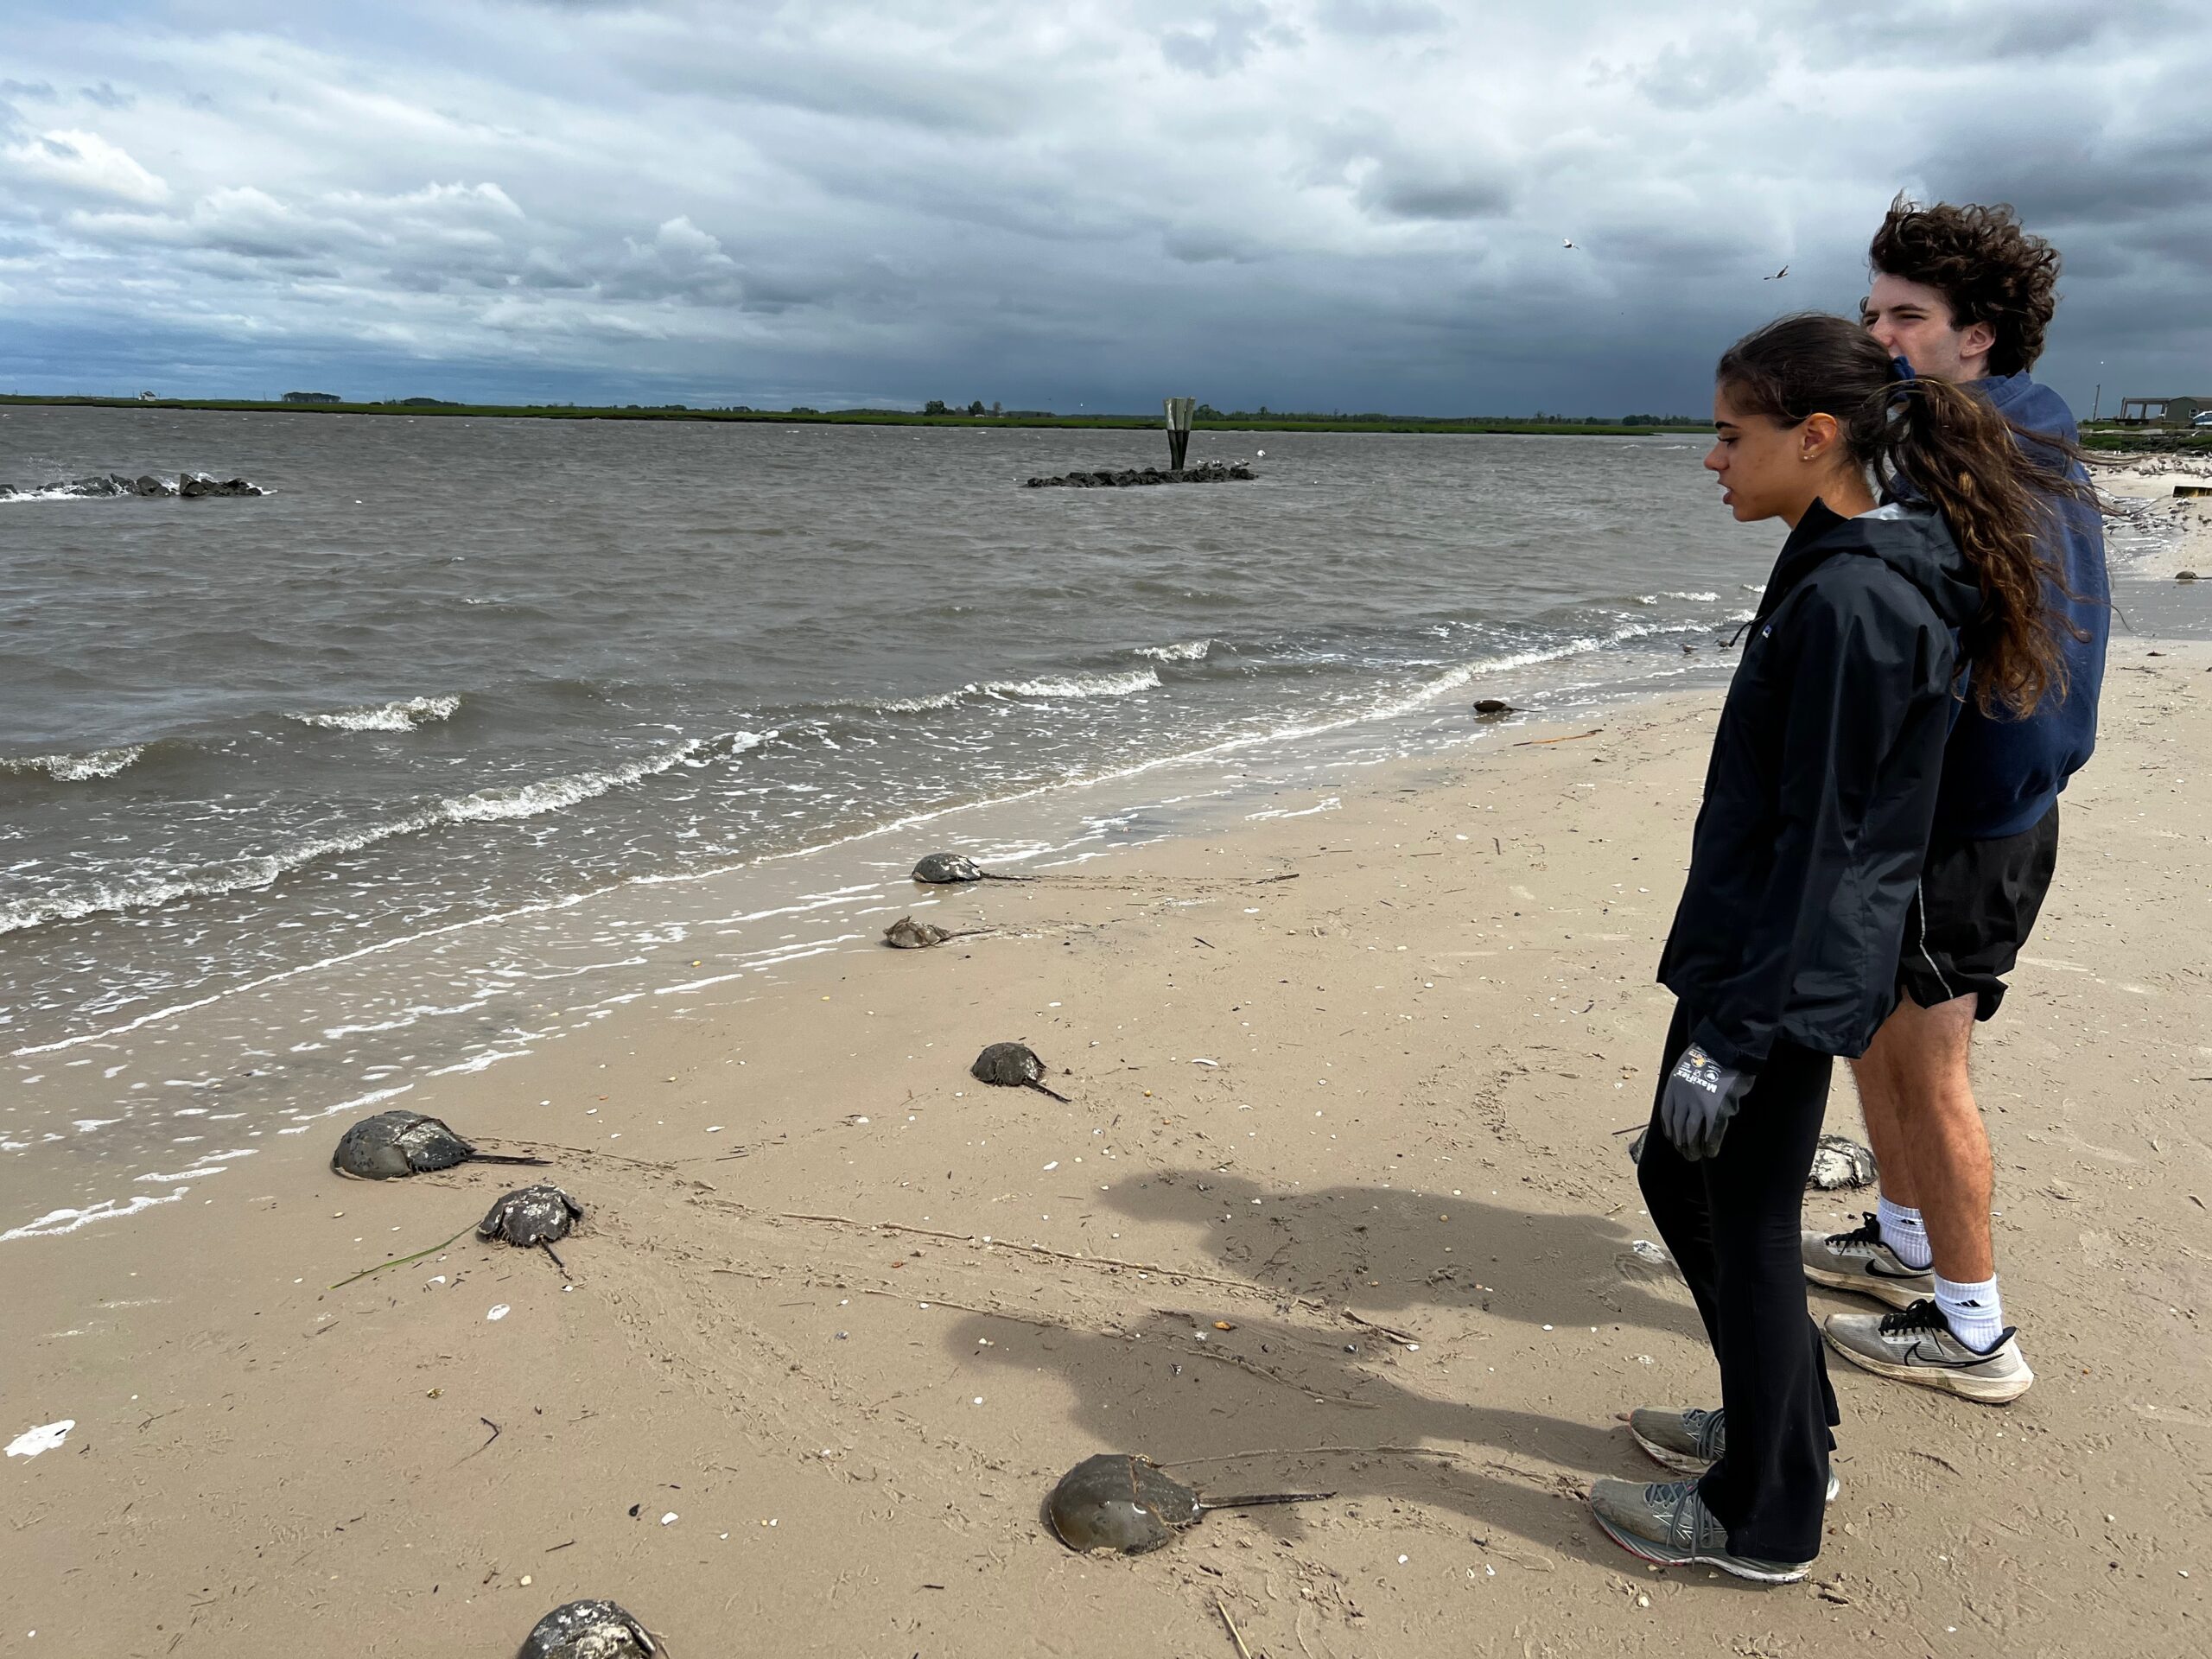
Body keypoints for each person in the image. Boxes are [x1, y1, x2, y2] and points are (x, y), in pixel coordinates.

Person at [1588, 311, 2083, 1582]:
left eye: (1729, 434)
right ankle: (1788, 1422)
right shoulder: (1834, 555)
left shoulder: (1861, 599)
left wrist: (1738, 1040)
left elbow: (1832, 843)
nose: (1711, 458)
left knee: (1742, 1216)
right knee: (1684, 1185)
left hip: (1783, 967)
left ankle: (1769, 1513)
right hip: (1759, 948)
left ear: (1815, 437)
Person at [1802, 197, 2107, 1402]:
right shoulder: (2006, 428)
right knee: (1876, 1034)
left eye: (1907, 317)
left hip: (1970, 820)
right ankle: (1904, 1240)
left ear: (1977, 336)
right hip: (1955, 811)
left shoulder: (1987, 451)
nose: (1878, 336)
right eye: (1871, 311)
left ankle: (1976, 1334)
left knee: (1930, 1068)